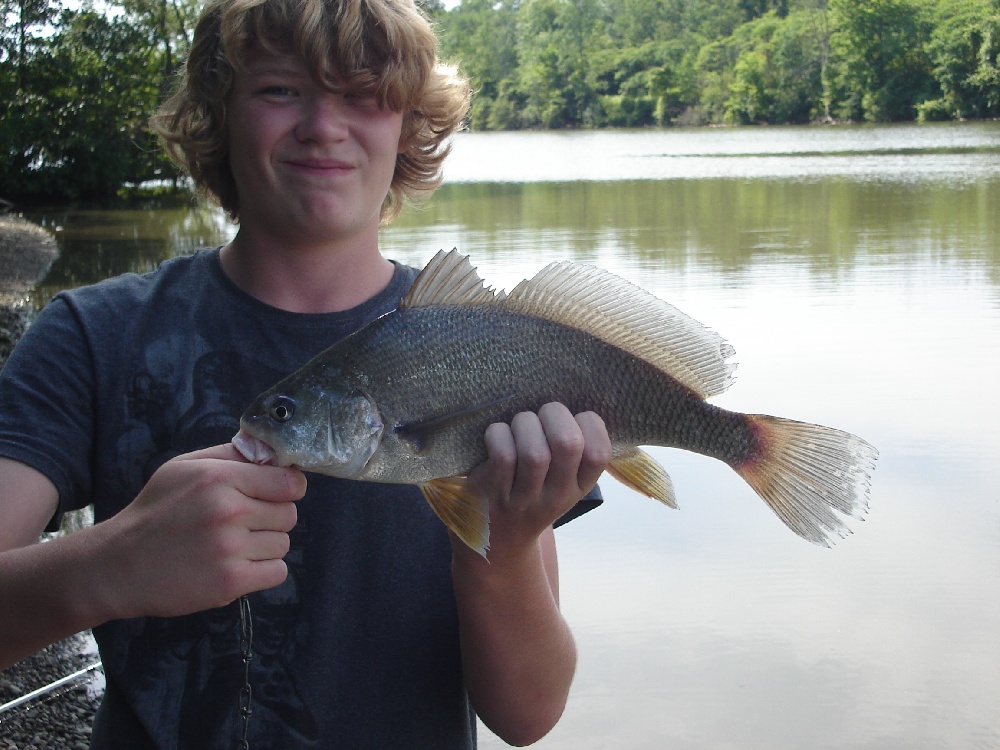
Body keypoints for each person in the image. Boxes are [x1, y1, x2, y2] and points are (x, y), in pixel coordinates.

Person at [0, 0, 610, 746]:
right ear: (218, 116)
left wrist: (506, 547)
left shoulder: (490, 345)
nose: (324, 125)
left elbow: (528, 715)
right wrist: (105, 568)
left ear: (408, 126)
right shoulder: (91, 338)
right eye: (280, 90)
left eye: (363, 94)